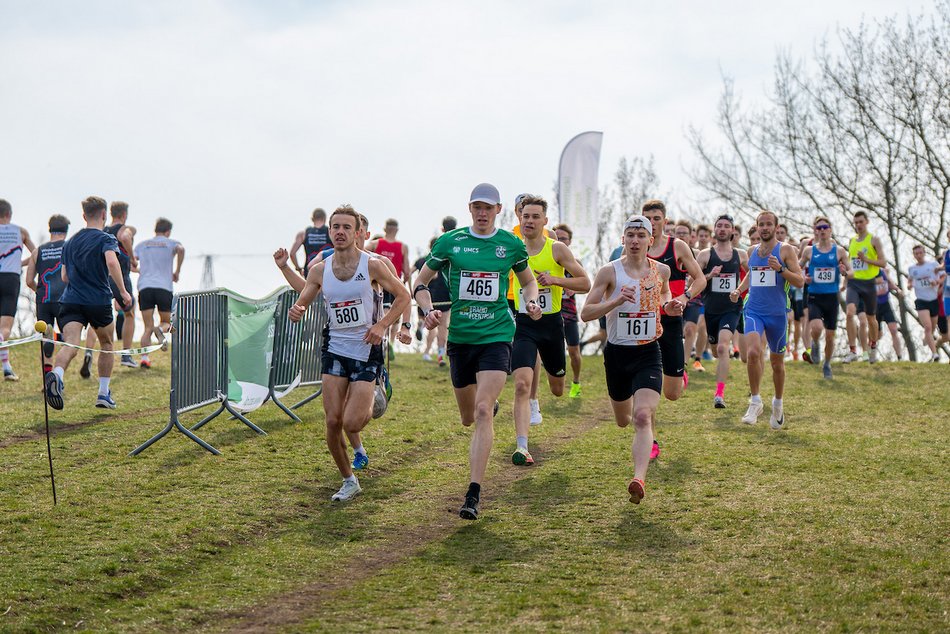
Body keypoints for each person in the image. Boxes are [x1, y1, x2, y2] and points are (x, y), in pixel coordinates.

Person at [413, 183, 539, 520]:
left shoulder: (510, 244)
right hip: (461, 339)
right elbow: (420, 283)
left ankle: (473, 493)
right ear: (470, 209)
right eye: (476, 208)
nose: (482, 213)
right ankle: (486, 403)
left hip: (497, 336)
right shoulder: (451, 242)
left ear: (498, 210)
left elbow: (528, 280)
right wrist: (427, 310)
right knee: (469, 416)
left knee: (483, 411)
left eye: (488, 208)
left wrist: (531, 299)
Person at [287, 205, 410, 502]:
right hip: (335, 349)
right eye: (335, 227)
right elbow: (304, 297)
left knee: (353, 423)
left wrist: (382, 325)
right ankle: (348, 480)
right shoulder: (320, 269)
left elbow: (403, 295)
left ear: (357, 233)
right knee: (333, 422)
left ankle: (375, 393)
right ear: (329, 232)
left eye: (346, 227)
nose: (340, 232)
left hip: (367, 350)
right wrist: (297, 309)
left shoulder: (373, 266)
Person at [581, 215, 680, 504]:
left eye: (641, 235)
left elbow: (663, 295)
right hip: (617, 354)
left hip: (648, 352)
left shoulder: (661, 270)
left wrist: (669, 306)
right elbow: (586, 313)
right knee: (624, 420)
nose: (635, 240)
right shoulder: (608, 272)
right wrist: (615, 301)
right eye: (630, 235)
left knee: (642, 416)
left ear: (651, 240)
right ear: (623, 239)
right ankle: (635, 454)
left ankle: (638, 478)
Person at [509, 196, 590, 465]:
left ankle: (550, 378)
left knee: (557, 388)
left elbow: (585, 282)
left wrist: (554, 279)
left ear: (545, 221)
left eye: (535, 217)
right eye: (526, 216)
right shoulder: (512, 248)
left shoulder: (557, 250)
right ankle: (522, 446)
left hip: (552, 325)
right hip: (523, 324)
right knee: (521, 383)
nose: (529, 220)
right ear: (520, 219)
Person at [44, 196, 132, 411]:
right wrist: (122, 291)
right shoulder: (106, 238)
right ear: (104, 214)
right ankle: (103, 393)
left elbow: (64, 277)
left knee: (71, 343)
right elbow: (112, 261)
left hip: (71, 300)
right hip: (98, 301)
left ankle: (57, 374)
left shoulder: (71, 242)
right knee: (107, 344)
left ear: (84, 216)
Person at [642, 200, 707, 460]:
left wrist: (685, 297)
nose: (652, 223)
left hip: (670, 321)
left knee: (672, 393)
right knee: (648, 386)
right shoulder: (634, 249)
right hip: (644, 323)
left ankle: (680, 376)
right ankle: (651, 440)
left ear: (665, 221)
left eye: (657, 218)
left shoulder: (676, 246)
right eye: (647, 218)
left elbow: (700, 278)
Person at [729, 211, 804, 428]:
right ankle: (755, 401)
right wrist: (739, 290)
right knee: (753, 353)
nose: (764, 228)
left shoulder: (786, 250)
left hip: (777, 314)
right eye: (761, 224)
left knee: (777, 364)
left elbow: (799, 281)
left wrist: (780, 269)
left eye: (768, 224)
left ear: (775, 227)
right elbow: (752, 274)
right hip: (754, 310)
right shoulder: (752, 250)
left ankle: (778, 404)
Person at [696, 214, 748, 408]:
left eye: (727, 226)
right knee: (716, 351)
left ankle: (719, 394)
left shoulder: (741, 255)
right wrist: (710, 275)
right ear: (714, 230)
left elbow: (753, 273)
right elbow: (695, 281)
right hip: (711, 310)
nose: (723, 229)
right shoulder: (705, 255)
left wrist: (739, 290)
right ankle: (722, 364)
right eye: (720, 226)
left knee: (722, 347)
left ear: (733, 231)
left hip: (732, 308)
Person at [800, 216, 852, 378]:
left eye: (825, 227)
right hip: (814, 295)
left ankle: (827, 364)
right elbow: (797, 267)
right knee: (816, 328)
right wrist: (804, 278)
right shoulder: (809, 251)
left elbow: (852, 272)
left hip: (832, 298)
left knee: (830, 337)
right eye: (819, 228)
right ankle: (815, 344)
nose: (822, 230)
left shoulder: (839, 251)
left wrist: (844, 272)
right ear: (815, 231)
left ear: (830, 229)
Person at [134, 218, 184, 368]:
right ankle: (160, 330)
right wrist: (177, 271)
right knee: (166, 322)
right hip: (163, 287)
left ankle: (144, 358)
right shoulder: (171, 243)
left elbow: (131, 262)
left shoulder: (142, 245)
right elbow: (181, 250)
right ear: (168, 231)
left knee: (147, 327)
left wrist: (140, 270)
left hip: (145, 287)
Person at [26, 215, 70, 373]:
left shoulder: (38, 251)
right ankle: (58, 375)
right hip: (64, 299)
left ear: (50, 229)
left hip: (43, 299)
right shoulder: (68, 247)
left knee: (44, 338)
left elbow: (29, 280)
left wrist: (40, 290)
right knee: (71, 340)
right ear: (66, 230)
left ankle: (47, 377)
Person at [0, 199, 36, 380]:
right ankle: (6, 368)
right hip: (10, 278)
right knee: (5, 327)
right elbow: (36, 253)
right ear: (9, 214)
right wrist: (19, 263)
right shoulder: (20, 232)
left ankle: (7, 366)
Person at [844, 211, 887, 363]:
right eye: (856, 223)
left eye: (861, 222)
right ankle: (852, 350)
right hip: (854, 283)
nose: (858, 225)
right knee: (850, 314)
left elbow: (883, 263)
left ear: (867, 222)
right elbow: (851, 264)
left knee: (871, 319)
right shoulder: (852, 241)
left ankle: (873, 346)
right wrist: (845, 275)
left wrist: (867, 260)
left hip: (869, 283)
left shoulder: (874, 240)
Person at [552, 223, 584, 397]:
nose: (560, 241)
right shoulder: (547, 258)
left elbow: (586, 286)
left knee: (573, 352)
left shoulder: (575, 263)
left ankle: (576, 381)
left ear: (570, 241)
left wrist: (574, 290)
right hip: (551, 311)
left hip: (569, 313)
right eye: (557, 237)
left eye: (563, 238)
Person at [105, 201, 138, 368]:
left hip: (102, 276)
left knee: (101, 313)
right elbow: (125, 237)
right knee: (130, 313)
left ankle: (89, 351)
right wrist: (132, 257)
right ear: (124, 214)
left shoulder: (102, 230)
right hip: (120, 275)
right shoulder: (126, 229)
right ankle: (126, 354)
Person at [413, 237, 450, 365]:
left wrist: (408, 287)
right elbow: (434, 275)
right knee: (441, 327)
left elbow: (409, 272)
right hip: (442, 296)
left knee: (427, 321)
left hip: (424, 294)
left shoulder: (421, 260)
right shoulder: (446, 260)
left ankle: (421, 327)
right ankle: (440, 354)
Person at [908, 244, 945, 362]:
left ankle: (927, 338)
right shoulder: (912, 269)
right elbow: (910, 281)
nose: (918, 255)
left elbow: (943, 276)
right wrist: (909, 285)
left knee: (932, 327)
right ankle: (935, 354)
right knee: (928, 327)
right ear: (914, 255)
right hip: (921, 301)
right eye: (916, 253)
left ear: (924, 253)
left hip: (933, 300)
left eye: (920, 253)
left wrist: (937, 281)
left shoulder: (933, 265)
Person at [289, 207, 331, 275]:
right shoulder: (330, 232)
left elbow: (292, 254)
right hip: (327, 271)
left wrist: (298, 268)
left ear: (312, 219)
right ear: (325, 218)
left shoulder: (303, 234)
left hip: (309, 271)